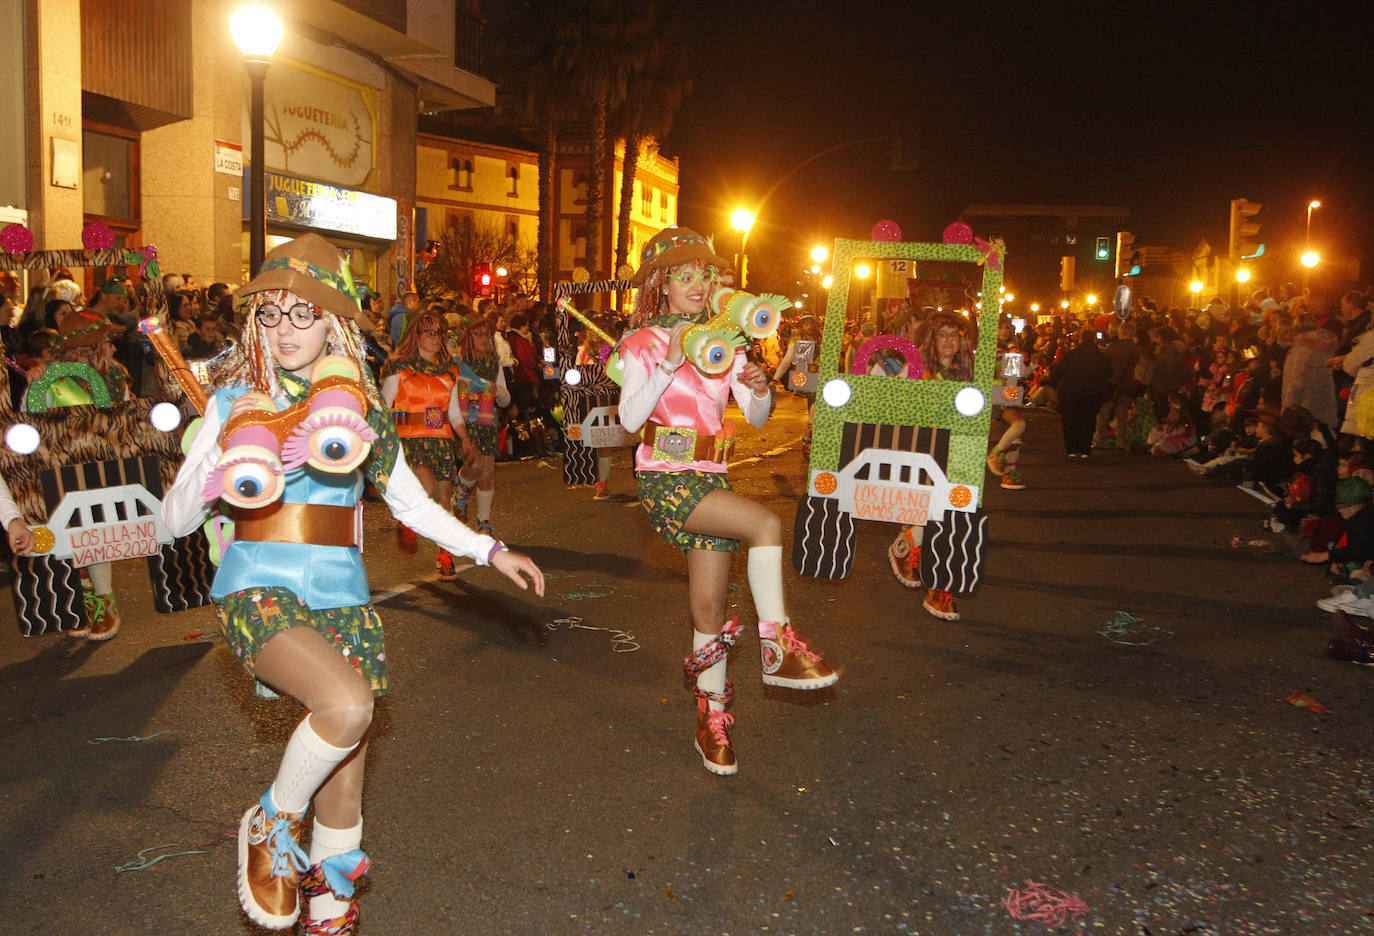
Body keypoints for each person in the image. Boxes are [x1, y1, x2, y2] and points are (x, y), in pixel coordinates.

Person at [161, 234, 544, 934]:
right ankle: (272, 822)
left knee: (346, 785)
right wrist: (214, 462)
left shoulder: (357, 410)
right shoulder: (234, 400)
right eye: (270, 315)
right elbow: (171, 520)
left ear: (333, 323)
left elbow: (412, 504)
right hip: (257, 584)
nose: (283, 330)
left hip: (341, 595)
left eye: (302, 314)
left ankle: (330, 919)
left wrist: (489, 548)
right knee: (346, 703)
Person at [617, 226, 837, 777]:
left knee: (708, 609)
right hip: (667, 478)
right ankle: (777, 644)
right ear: (662, 284)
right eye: (685, 275)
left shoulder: (727, 340)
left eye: (705, 274)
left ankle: (710, 719)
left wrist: (760, 387)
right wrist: (668, 361)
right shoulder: (642, 342)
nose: (698, 284)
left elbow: (756, 418)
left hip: (712, 476)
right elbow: (628, 419)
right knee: (765, 523)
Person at [25, 310, 132, 639]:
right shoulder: (47, 380)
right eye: (105, 345)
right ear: (83, 351)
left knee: (94, 536)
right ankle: (83, 602)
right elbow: (29, 420)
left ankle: (104, 604)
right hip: (58, 469)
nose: (112, 350)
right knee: (69, 540)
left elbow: (130, 420)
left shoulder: (115, 377)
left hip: (102, 469)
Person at [885, 312, 976, 620]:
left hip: (962, 451)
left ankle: (940, 587)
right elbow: (894, 403)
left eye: (954, 334)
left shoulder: (968, 371)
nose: (949, 340)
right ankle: (910, 543)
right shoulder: (917, 368)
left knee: (960, 519)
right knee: (936, 511)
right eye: (943, 334)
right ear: (931, 340)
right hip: (923, 450)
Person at [381, 309, 473, 579]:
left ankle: (445, 556)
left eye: (439, 333)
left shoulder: (450, 371)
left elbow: (453, 411)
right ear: (415, 335)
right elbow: (384, 407)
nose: (435, 338)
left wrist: (465, 439)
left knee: (444, 499)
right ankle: (406, 523)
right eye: (429, 332)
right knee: (426, 488)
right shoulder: (398, 368)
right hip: (409, 441)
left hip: (442, 440)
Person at [452, 317, 510, 534]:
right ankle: (460, 494)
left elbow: (505, 399)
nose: (483, 339)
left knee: (487, 472)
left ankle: (483, 522)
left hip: (487, 421)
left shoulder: (495, 363)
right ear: (468, 337)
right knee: (474, 465)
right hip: (464, 421)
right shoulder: (457, 362)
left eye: (486, 334)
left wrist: (499, 392)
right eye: (478, 334)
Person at [1054, 329, 1112, 459]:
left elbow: (1059, 371)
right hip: (1092, 392)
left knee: (1070, 420)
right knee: (1088, 420)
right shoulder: (1101, 356)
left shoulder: (1071, 355)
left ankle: (1072, 449)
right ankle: (1085, 449)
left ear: (1080, 339)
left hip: (1071, 391)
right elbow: (1108, 373)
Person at [986, 318, 1029, 490]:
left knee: (1015, 437)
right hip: (994, 393)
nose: (1004, 331)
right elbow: (989, 372)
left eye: (1006, 328)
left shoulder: (1013, 348)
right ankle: (995, 455)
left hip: (1008, 392)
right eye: (1000, 327)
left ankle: (1009, 474)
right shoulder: (990, 348)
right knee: (1018, 425)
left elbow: (1014, 374)